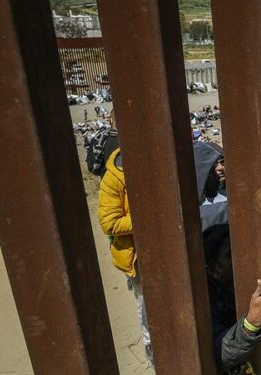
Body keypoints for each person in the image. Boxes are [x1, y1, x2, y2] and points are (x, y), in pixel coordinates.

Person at [202, 224, 261, 374]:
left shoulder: (258, 277)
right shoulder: (205, 302)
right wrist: (251, 323)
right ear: (215, 271)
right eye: (231, 255)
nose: (243, 258)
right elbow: (219, 357)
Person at [97, 147, 153, 364]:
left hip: (168, 251)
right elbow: (109, 223)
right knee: (147, 306)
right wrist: (146, 218)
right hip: (137, 258)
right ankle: (152, 351)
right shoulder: (114, 178)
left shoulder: (155, 162)